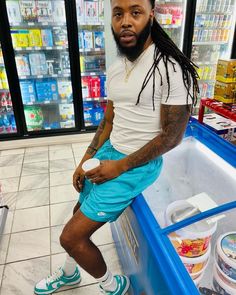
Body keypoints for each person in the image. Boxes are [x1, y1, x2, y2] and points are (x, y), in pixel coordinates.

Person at [34, 0, 199, 294]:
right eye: (118, 13)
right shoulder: (117, 67)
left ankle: (113, 286)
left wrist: (118, 167)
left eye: (135, 12)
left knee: (70, 237)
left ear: (151, 15)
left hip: (137, 166)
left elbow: (171, 138)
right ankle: (70, 273)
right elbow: (109, 120)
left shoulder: (172, 69)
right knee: (77, 212)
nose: (126, 21)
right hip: (110, 152)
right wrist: (86, 158)